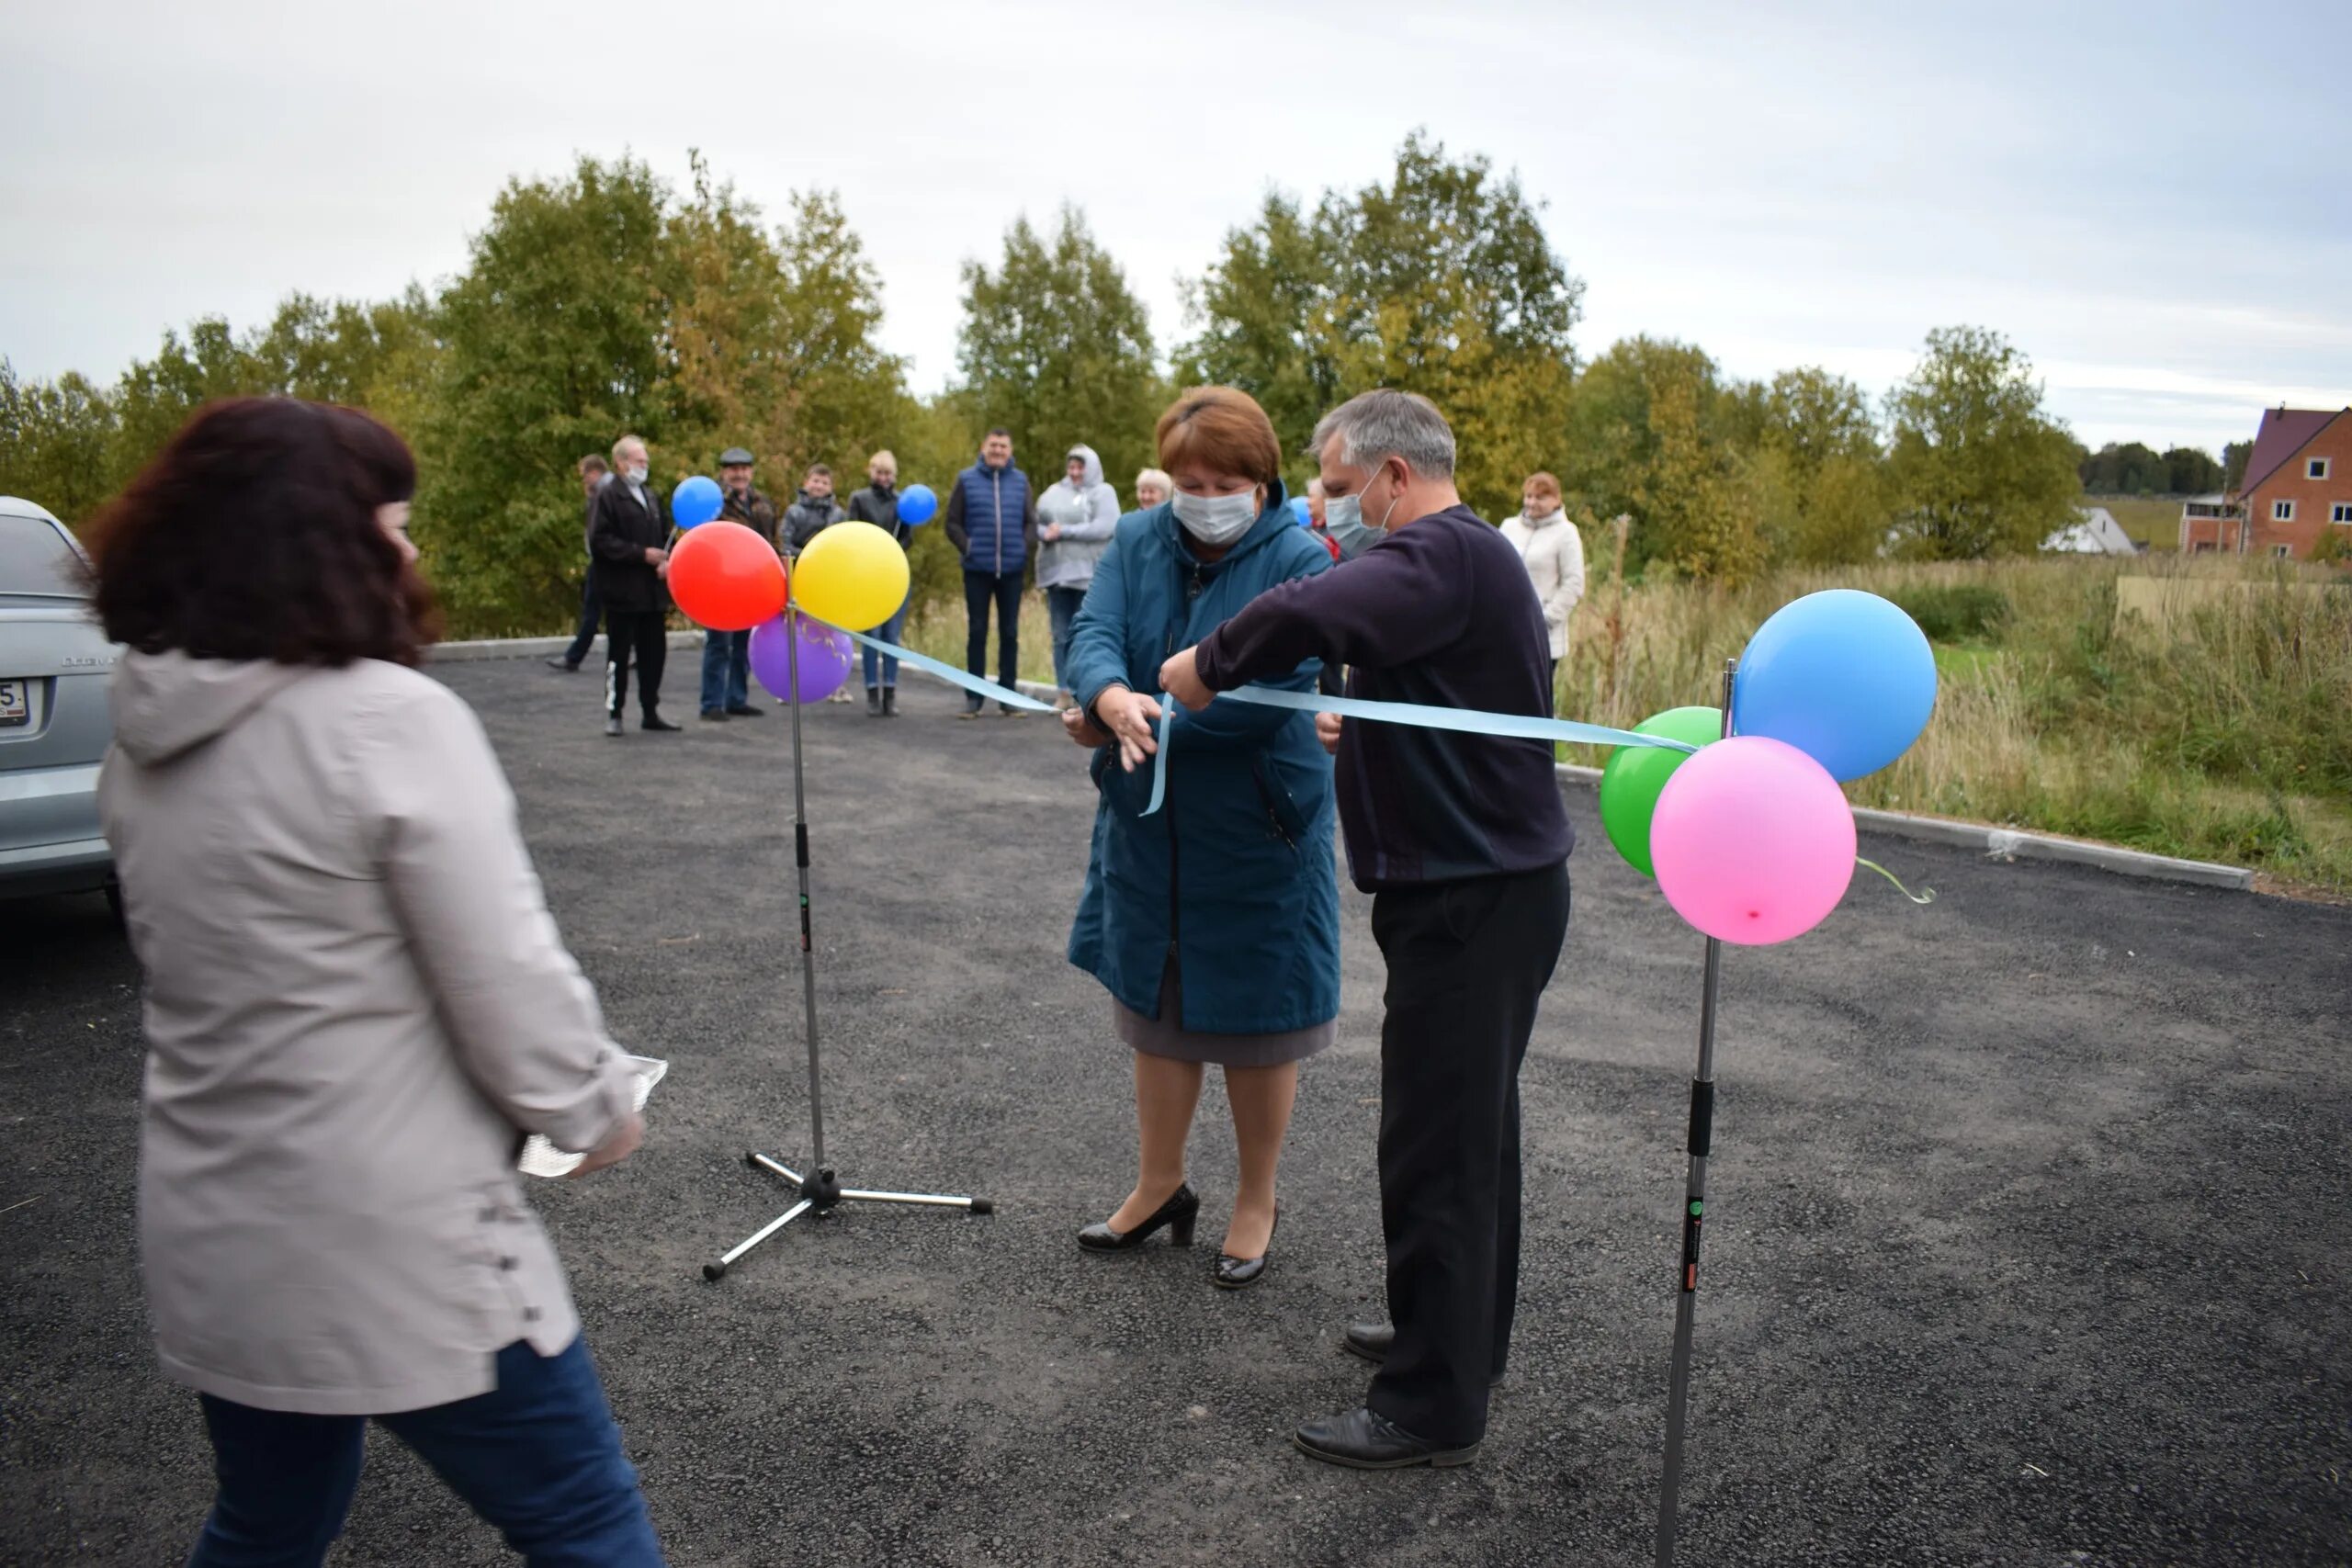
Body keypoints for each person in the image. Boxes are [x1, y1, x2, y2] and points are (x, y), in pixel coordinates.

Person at [86, 397, 665, 1566]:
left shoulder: (138, 739)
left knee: (265, 1525)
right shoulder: (387, 722)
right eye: (390, 527)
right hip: (398, 1236)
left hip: (220, 1226)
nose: (408, 553)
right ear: (318, 543)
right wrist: (597, 1108)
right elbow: (506, 979)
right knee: (585, 1523)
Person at [1159, 389, 1573, 1470]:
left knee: (1438, 1147)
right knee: (1470, 1135)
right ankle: (1452, 1339)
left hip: (1474, 902)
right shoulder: (1462, 565)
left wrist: (1203, 666)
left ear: (1396, 477)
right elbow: (1411, 671)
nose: (1328, 514)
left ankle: (1429, 1404)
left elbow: (1307, 612)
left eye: (1340, 492)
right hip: (1482, 890)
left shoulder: (1443, 549)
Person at [1061, 387, 1338, 1292]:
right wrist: (1107, 696)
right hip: (1147, 817)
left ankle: (1255, 1199)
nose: (1200, 493)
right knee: (1158, 1010)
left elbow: (1273, 690)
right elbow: (1093, 630)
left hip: (1257, 826)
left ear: (1260, 481)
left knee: (1260, 1021)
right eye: (1185, 479)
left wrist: (1134, 724)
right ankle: (1158, 1185)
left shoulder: (1300, 557)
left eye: (1219, 480)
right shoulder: (1138, 539)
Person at [587, 434, 680, 736]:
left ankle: (650, 710)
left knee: (654, 655)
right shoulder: (608, 495)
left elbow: (666, 534)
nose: (645, 466)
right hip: (622, 592)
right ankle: (614, 712)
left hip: (652, 595)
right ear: (622, 462)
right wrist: (641, 554)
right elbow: (600, 541)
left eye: (646, 462)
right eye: (640, 461)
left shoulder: (649, 496)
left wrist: (668, 560)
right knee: (618, 655)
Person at [943, 428, 1037, 717]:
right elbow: (952, 522)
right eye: (993, 445)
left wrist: (1022, 548)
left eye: (1003, 446)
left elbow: (1031, 522)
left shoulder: (1020, 481)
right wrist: (968, 547)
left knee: (1010, 633)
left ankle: (1007, 698)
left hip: (1011, 569)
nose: (998, 450)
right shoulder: (966, 479)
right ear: (983, 448)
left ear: (1010, 451)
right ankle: (974, 698)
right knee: (977, 632)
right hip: (977, 569)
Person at [699, 446, 779, 722]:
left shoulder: (763, 502)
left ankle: (737, 698)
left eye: (744, 469)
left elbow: (773, 540)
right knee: (719, 645)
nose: (739, 474)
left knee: (745, 645)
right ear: (724, 472)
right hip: (720, 584)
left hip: (753, 585)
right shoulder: (714, 504)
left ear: (751, 471)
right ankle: (711, 703)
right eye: (734, 469)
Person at [1035, 444, 1119, 702]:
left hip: (1089, 576)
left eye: (1080, 467)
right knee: (1061, 635)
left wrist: (1064, 532)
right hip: (1056, 574)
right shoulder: (1053, 492)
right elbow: (1036, 521)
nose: (1074, 472)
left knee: (1087, 635)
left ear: (1091, 468)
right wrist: (1044, 533)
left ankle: (1087, 692)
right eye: (1071, 466)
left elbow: (1105, 527)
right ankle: (1063, 691)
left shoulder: (1103, 492)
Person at [1499, 471, 1586, 707]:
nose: (1531, 503)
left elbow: (1574, 583)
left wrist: (1544, 619)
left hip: (1543, 639)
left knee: (1533, 706)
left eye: (1539, 497)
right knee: (1502, 702)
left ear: (1556, 500)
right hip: (1506, 634)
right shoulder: (1508, 527)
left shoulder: (1566, 533)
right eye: (1528, 496)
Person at [846, 449, 911, 716]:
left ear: (894, 476)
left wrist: (892, 550)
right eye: (879, 472)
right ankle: (872, 693)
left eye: (888, 473)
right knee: (871, 637)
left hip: (895, 574)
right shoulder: (859, 499)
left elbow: (908, 537)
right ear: (871, 472)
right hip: (867, 575)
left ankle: (890, 694)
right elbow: (851, 531)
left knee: (891, 637)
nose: (883, 478)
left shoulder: (902, 502)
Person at [783, 464, 853, 700]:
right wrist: (810, 557)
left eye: (824, 482)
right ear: (806, 483)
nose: (819, 486)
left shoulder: (838, 514)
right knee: (794, 631)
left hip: (828, 580)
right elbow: (785, 544)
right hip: (799, 579)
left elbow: (842, 546)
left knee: (832, 631)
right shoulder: (793, 512)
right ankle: (788, 685)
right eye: (815, 481)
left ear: (830, 487)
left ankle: (835, 684)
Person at [548, 454, 611, 671]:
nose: (584, 481)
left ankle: (573, 657)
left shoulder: (604, 494)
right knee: (615, 612)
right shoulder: (606, 492)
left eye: (585, 476)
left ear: (594, 472)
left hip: (605, 562)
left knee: (592, 612)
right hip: (608, 561)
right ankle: (633, 652)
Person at [1303, 477, 1342, 562]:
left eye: (1311, 496)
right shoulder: (1303, 532)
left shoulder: (1340, 531)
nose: (1307, 502)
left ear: (1325, 498)